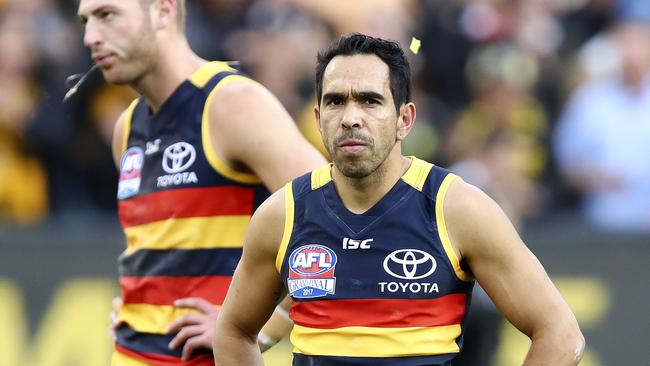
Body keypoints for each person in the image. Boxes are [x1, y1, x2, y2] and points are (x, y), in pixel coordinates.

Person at [213, 33, 584, 365]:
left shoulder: (456, 208)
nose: (350, 118)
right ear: (318, 116)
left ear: (405, 119)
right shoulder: (283, 214)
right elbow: (233, 333)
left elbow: (561, 336)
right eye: (336, 102)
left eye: (370, 101)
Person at [76, 0, 326, 365]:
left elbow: (331, 215)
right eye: (85, 21)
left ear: (163, 11)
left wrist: (264, 327)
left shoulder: (233, 104)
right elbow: (156, 247)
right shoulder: (126, 129)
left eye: (107, 15)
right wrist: (138, 304)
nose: (90, 37)